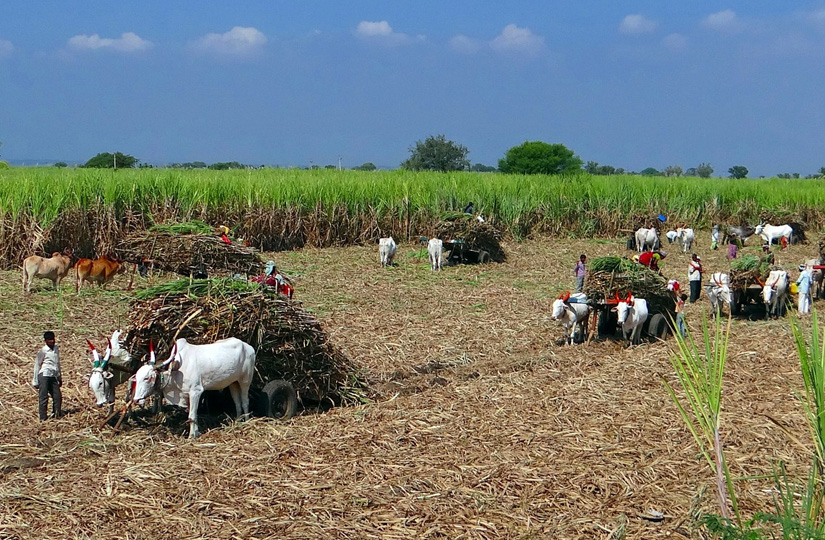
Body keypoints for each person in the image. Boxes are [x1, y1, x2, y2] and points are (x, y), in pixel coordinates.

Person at [32, 331, 62, 421]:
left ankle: (56, 415)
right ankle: (43, 418)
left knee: (57, 396)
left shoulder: (56, 349)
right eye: (49, 340)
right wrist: (35, 380)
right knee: (44, 397)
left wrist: (59, 377)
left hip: (53, 375)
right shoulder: (43, 351)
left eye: (53, 339)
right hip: (44, 375)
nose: (52, 341)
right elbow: (37, 365)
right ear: (45, 341)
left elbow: (57, 364)